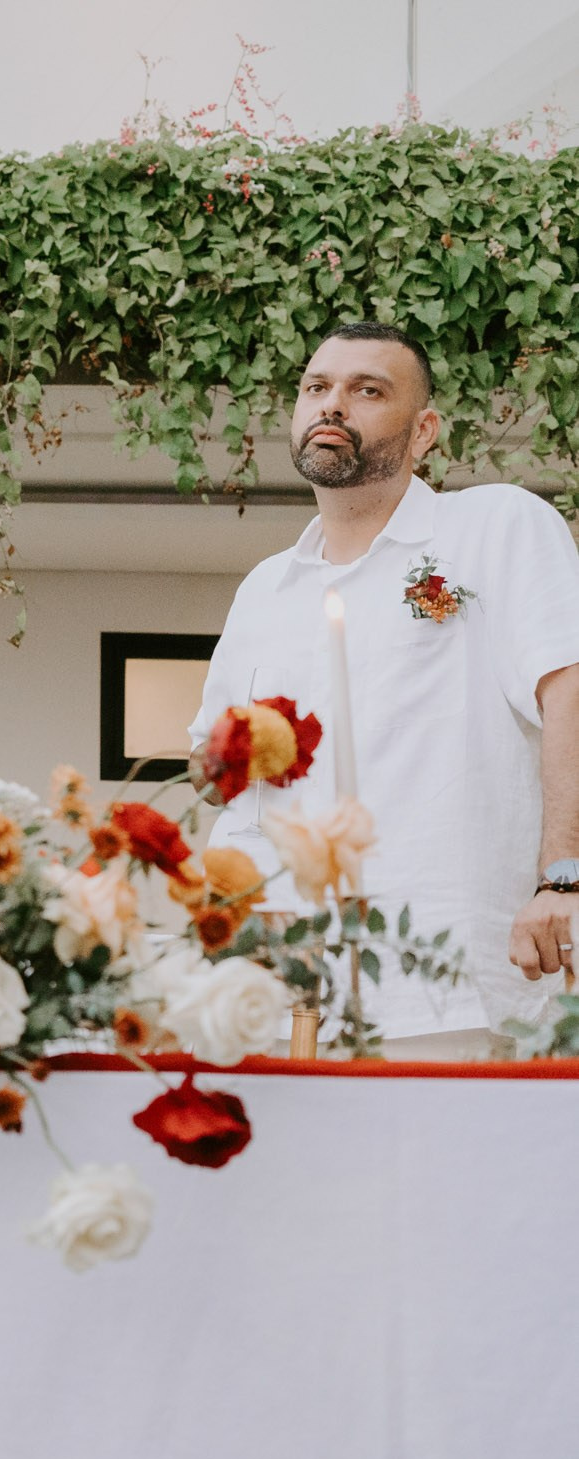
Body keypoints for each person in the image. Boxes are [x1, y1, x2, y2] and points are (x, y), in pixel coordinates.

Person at [191, 319, 579, 1054]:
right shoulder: (266, 588)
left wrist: (564, 879)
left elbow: (570, 693)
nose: (333, 404)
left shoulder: (495, 525)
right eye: (317, 387)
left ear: (424, 430)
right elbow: (221, 781)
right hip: (272, 989)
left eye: (367, 390)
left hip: (442, 983)